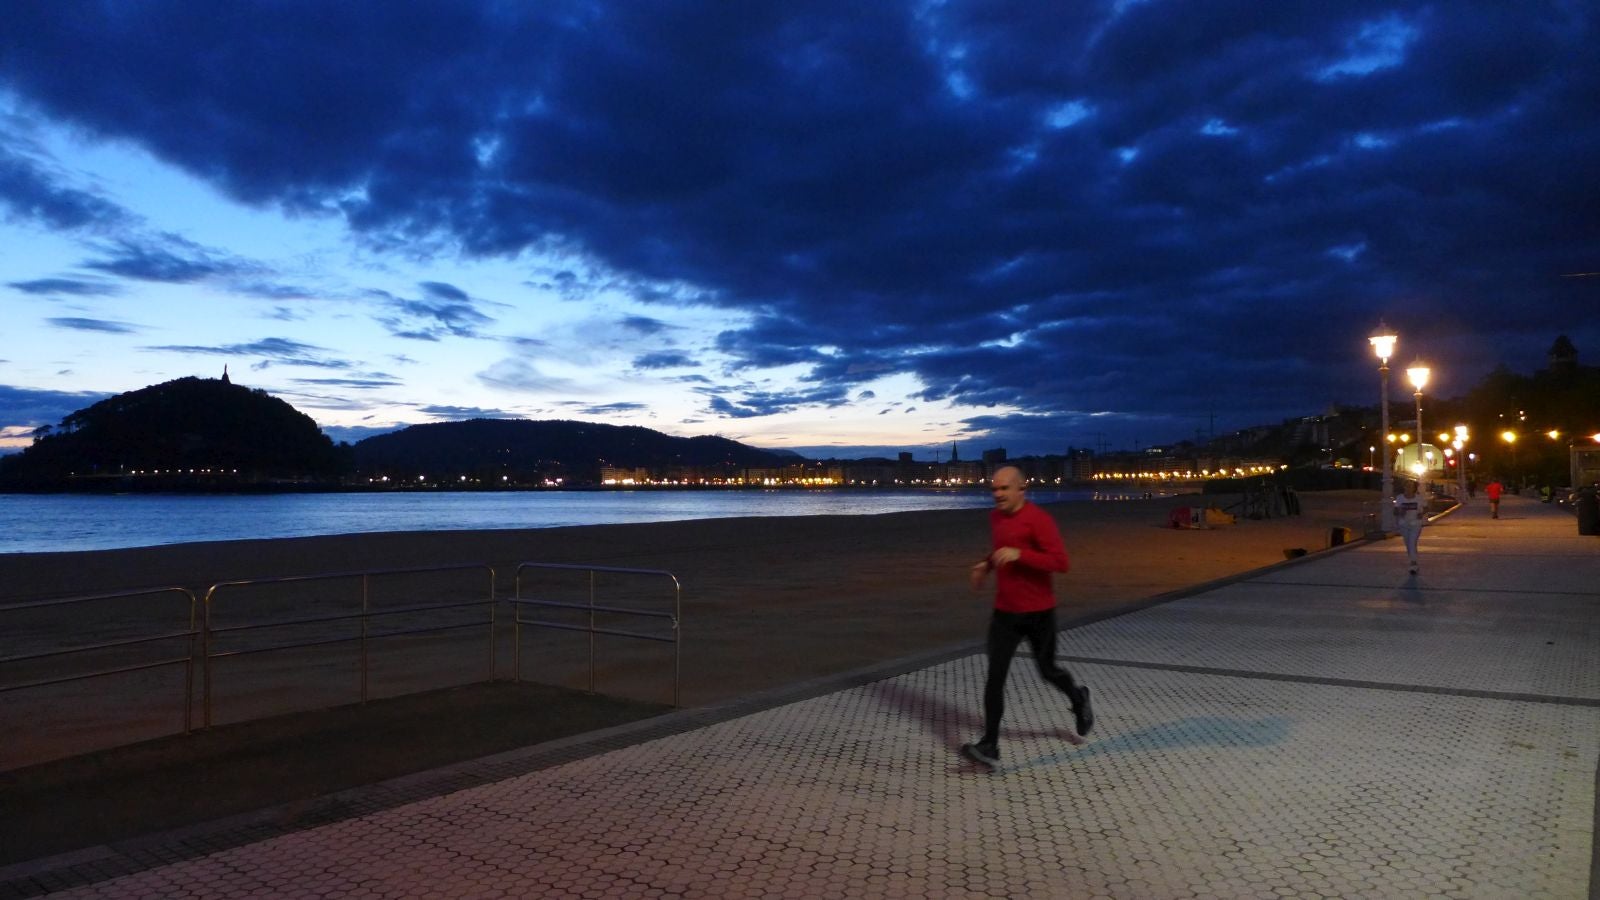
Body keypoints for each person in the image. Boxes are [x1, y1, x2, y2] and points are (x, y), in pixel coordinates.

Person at [961, 465, 1092, 771]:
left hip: (1039, 613)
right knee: (995, 677)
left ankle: (1078, 697)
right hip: (1005, 613)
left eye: (1004, 488)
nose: (997, 494)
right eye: (994, 489)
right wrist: (986, 565)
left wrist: (1021, 554)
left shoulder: (1039, 520)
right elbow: (1001, 551)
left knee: (1048, 671)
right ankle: (990, 744)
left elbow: (1060, 562)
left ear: (1022, 489)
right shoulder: (995, 517)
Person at [1395, 480, 1425, 574]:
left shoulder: (1419, 498)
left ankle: (1413, 564)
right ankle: (1413, 561)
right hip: (1403, 524)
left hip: (1415, 524)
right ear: (1404, 487)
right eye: (1407, 485)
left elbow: (1426, 507)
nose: (1409, 488)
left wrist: (1421, 513)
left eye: (1411, 486)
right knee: (1408, 544)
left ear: (1414, 488)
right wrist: (1400, 511)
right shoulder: (1400, 498)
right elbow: (1395, 511)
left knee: (1412, 542)